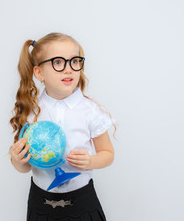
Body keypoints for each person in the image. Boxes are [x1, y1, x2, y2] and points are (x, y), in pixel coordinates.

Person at [9, 32, 115, 221]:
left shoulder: (90, 110)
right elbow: (25, 167)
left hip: (82, 203)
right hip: (41, 204)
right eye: (58, 62)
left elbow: (108, 154)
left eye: (74, 61)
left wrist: (90, 161)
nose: (69, 69)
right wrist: (18, 160)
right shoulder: (32, 111)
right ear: (39, 72)